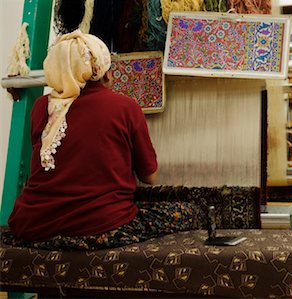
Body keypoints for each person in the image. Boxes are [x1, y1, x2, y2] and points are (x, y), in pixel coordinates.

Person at [2, 30, 201, 250]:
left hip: (32, 224)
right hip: (99, 224)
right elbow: (149, 177)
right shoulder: (125, 107)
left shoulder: (41, 107)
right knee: (189, 212)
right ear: (103, 72)